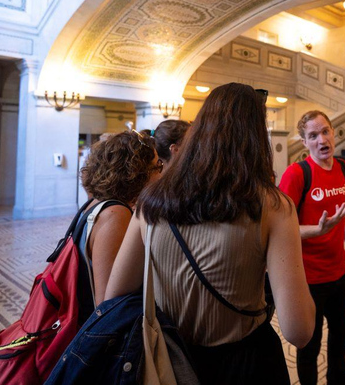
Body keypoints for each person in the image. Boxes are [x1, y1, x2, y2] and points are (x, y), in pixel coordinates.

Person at [104, 83, 315, 384]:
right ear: (256, 135)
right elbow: (300, 330)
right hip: (246, 364)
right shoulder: (272, 206)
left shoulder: (151, 201)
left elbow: (114, 299)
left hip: (168, 362)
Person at [279, 110, 345, 385]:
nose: (322, 139)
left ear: (334, 133)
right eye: (313, 135)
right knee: (309, 344)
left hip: (338, 272)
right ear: (303, 142)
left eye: (325, 131)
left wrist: (335, 227)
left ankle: (338, 377)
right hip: (308, 279)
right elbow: (281, 229)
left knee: (341, 332)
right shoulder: (296, 174)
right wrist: (318, 230)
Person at [76, 130, 161, 322]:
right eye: (158, 166)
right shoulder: (115, 214)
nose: (162, 174)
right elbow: (108, 306)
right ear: (137, 173)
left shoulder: (96, 203)